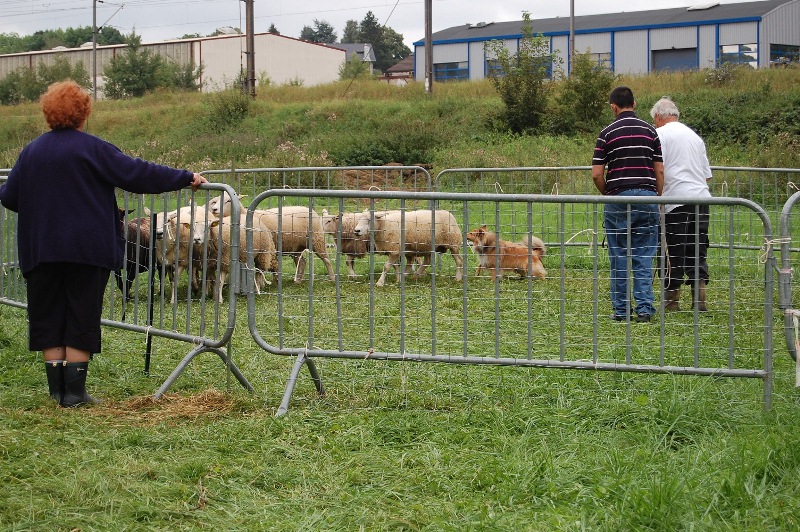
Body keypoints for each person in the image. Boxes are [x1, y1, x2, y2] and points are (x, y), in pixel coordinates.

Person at [0, 80, 207, 407]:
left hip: (41, 249)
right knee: (81, 315)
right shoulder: (94, 148)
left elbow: (10, 197)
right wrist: (185, 177)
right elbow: (139, 174)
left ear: (48, 113)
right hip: (87, 249)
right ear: (83, 114)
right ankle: (76, 394)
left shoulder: (32, 152)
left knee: (48, 316)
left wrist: (44, 204)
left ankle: (57, 392)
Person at [592, 86, 664, 322]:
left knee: (619, 256)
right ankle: (644, 309)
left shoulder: (606, 133)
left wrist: (609, 193)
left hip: (618, 199)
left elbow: (596, 174)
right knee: (644, 255)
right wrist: (657, 196)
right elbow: (659, 170)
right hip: (647, 197)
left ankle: (621, 310)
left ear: (614, 106)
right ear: (634, 103)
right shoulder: (650, 131)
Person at [650, 97, 712, 311]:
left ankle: (671, 302)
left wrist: (657, 197)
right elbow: (706, 176)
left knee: (671, 251)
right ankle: (699, 300)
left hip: (674, 200)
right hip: (701, 200)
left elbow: (659, 169)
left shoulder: (659, 134)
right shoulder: (694, 137)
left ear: (658, 117)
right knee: (697, 249)